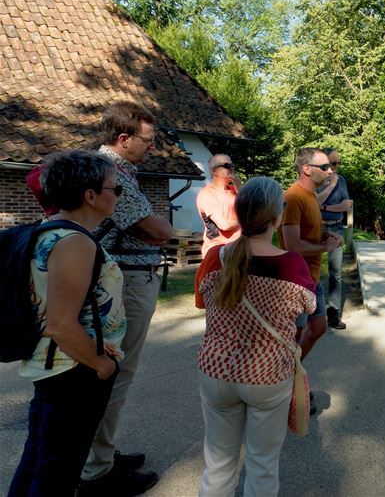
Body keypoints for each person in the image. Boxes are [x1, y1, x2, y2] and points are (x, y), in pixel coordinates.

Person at [9, 150, 125, 497]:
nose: (117, 196)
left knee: (40, 460)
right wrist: (101, 364)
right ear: (90, 195)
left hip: (54, 365)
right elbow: (60, 323)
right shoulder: (75, 242)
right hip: (74, 368)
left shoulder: (49, 232)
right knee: (58, 472)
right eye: (115, 189)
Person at [194, 177, 316, 497]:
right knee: (263, 464)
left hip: (216, 369)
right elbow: (308, 314)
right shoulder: (292, 264)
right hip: (267, 374)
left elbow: (203, 304)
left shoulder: (215, 257)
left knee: (217, 463)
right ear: (276, 218)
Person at [79, 102, 172, 496]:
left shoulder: (108, 170)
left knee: (111, 373)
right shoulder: (112, 173)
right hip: (127, 282)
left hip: (121, 279)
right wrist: (160, 228)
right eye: (148, 140)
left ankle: (100, 454)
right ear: (123, 138)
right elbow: (159, 230)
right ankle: (96, 472)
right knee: (115, 374)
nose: (152, 147)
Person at [279, 148, 341, 363]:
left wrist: (324, 237)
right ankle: (284, 376)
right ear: (306, 169)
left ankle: (292, 370)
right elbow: (292, 245)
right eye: (324, 167)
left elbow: (307, 232)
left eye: (330, 166)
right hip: (296, 280)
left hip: (311, 278)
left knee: (318, 327)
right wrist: (325, 247)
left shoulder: (311, 195)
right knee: (293, 335)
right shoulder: (293, 197)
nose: (330, 171)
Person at [315, 148, 352, 330]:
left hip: (336, 227)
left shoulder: (341, 180)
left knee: (335, 273)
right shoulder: (316, 179)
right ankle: (311, 312)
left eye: (339, 163)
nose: (336, 166)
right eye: (333, 163)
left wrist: (325, 207)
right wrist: (328, 198)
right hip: (317, 227)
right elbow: (314, 202)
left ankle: (334, 313)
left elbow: (346, 206)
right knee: (312, 270)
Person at [197, 154, 241, 258]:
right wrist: (248, 219)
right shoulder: (207, 194)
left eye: (232, 165)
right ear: (214, 171)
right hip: (218, 252)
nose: (231, 169)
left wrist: (240, 189)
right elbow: (225, 225)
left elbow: (251, 208)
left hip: (238, 249)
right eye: (227, 166)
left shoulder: (235, 190)